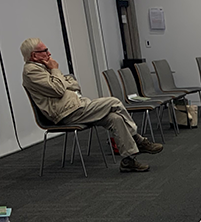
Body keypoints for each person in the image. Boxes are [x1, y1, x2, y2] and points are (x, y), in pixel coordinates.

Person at [20, 38, 162, 173]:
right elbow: (58, 89)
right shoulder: (32, 71)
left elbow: (74, 84)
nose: (49, 53)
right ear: (34, 55)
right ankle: (139, 140)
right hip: (67, 113)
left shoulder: (44, 67)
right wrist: (55, 70)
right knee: (114, 102)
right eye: (45, 50)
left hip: (78, 108)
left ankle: (128, 161)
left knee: (115, 119)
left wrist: (62, 81)